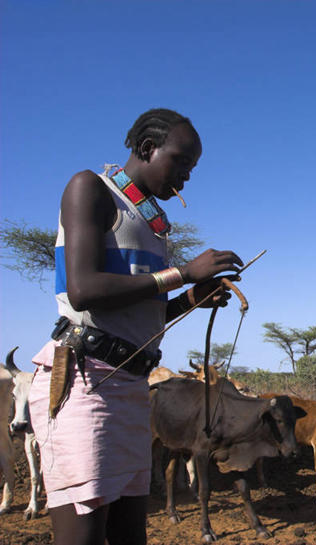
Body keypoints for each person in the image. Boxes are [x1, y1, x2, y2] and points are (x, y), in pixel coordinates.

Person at [28, 108, 244, 545]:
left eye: (192, 168)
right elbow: (83, 290)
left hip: (131, 390)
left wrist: (188, 300)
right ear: (148, 149)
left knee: (130, 534)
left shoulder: (151, 225)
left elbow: (138, 318)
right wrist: (183, 274)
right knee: (83, 535)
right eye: (181, 163)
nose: (185, 178)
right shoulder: (90, 189)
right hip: (83, 384)